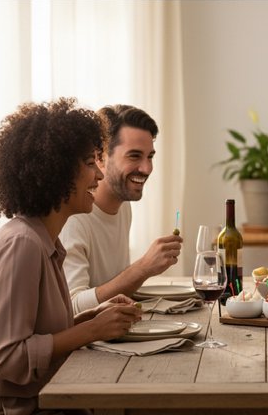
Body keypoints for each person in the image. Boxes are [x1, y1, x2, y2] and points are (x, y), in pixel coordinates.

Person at [0, 98, 143, 415]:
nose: (99, 174)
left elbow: (41, 332)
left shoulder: (45, 240)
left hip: (55, 400)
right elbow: (6, 358)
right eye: (91, 163)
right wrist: (90, 330)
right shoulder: (23, 243)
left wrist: (92, 317)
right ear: (57, 170)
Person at [60, 104, 182, 314]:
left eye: (150, 156)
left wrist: (146, 269)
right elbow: (72, 306)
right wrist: (143, 267)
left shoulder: (123, 205)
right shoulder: (73, 217)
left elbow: (116, 292)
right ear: (99, 158)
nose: (147, 168)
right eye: (134, 156)